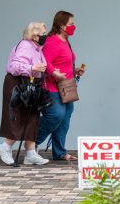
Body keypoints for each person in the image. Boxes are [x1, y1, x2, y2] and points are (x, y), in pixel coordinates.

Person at [0, 22, 49, 165]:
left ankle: (30, 152)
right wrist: (32, 67)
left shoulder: (37, 48)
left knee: (33, 115)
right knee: (18, 115)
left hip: (31, 82)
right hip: (18, 82)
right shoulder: (25, 46)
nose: (46, 36)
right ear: (34, 35)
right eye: (43, 34)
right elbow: (14, 66)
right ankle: (5, 147)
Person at [36, 11, 85, 161]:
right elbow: (44, 61)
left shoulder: (65, 40)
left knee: (65, 116)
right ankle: (32, 144)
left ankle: (59, 152)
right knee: (55, 115)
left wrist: (75, 70)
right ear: (62, 25)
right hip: (51, 86)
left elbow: (62, 61)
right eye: (71, 24)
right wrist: (54, 73)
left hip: (66, 86)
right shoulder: (52, 41)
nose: (73, 27)